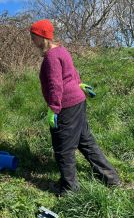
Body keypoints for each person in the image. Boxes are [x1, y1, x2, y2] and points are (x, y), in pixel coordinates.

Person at [30, 19, 120, 196]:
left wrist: (54, 108)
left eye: (33, 37)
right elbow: (72, 72)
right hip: (78, 101)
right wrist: (80, 84)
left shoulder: (51, 56)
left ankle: (69, 190)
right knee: (85, 141)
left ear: (42, 37)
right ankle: (111, 178)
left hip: (67, 105)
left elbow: (55, 84)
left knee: (63, 148)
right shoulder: (61, 49)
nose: (32, 41)